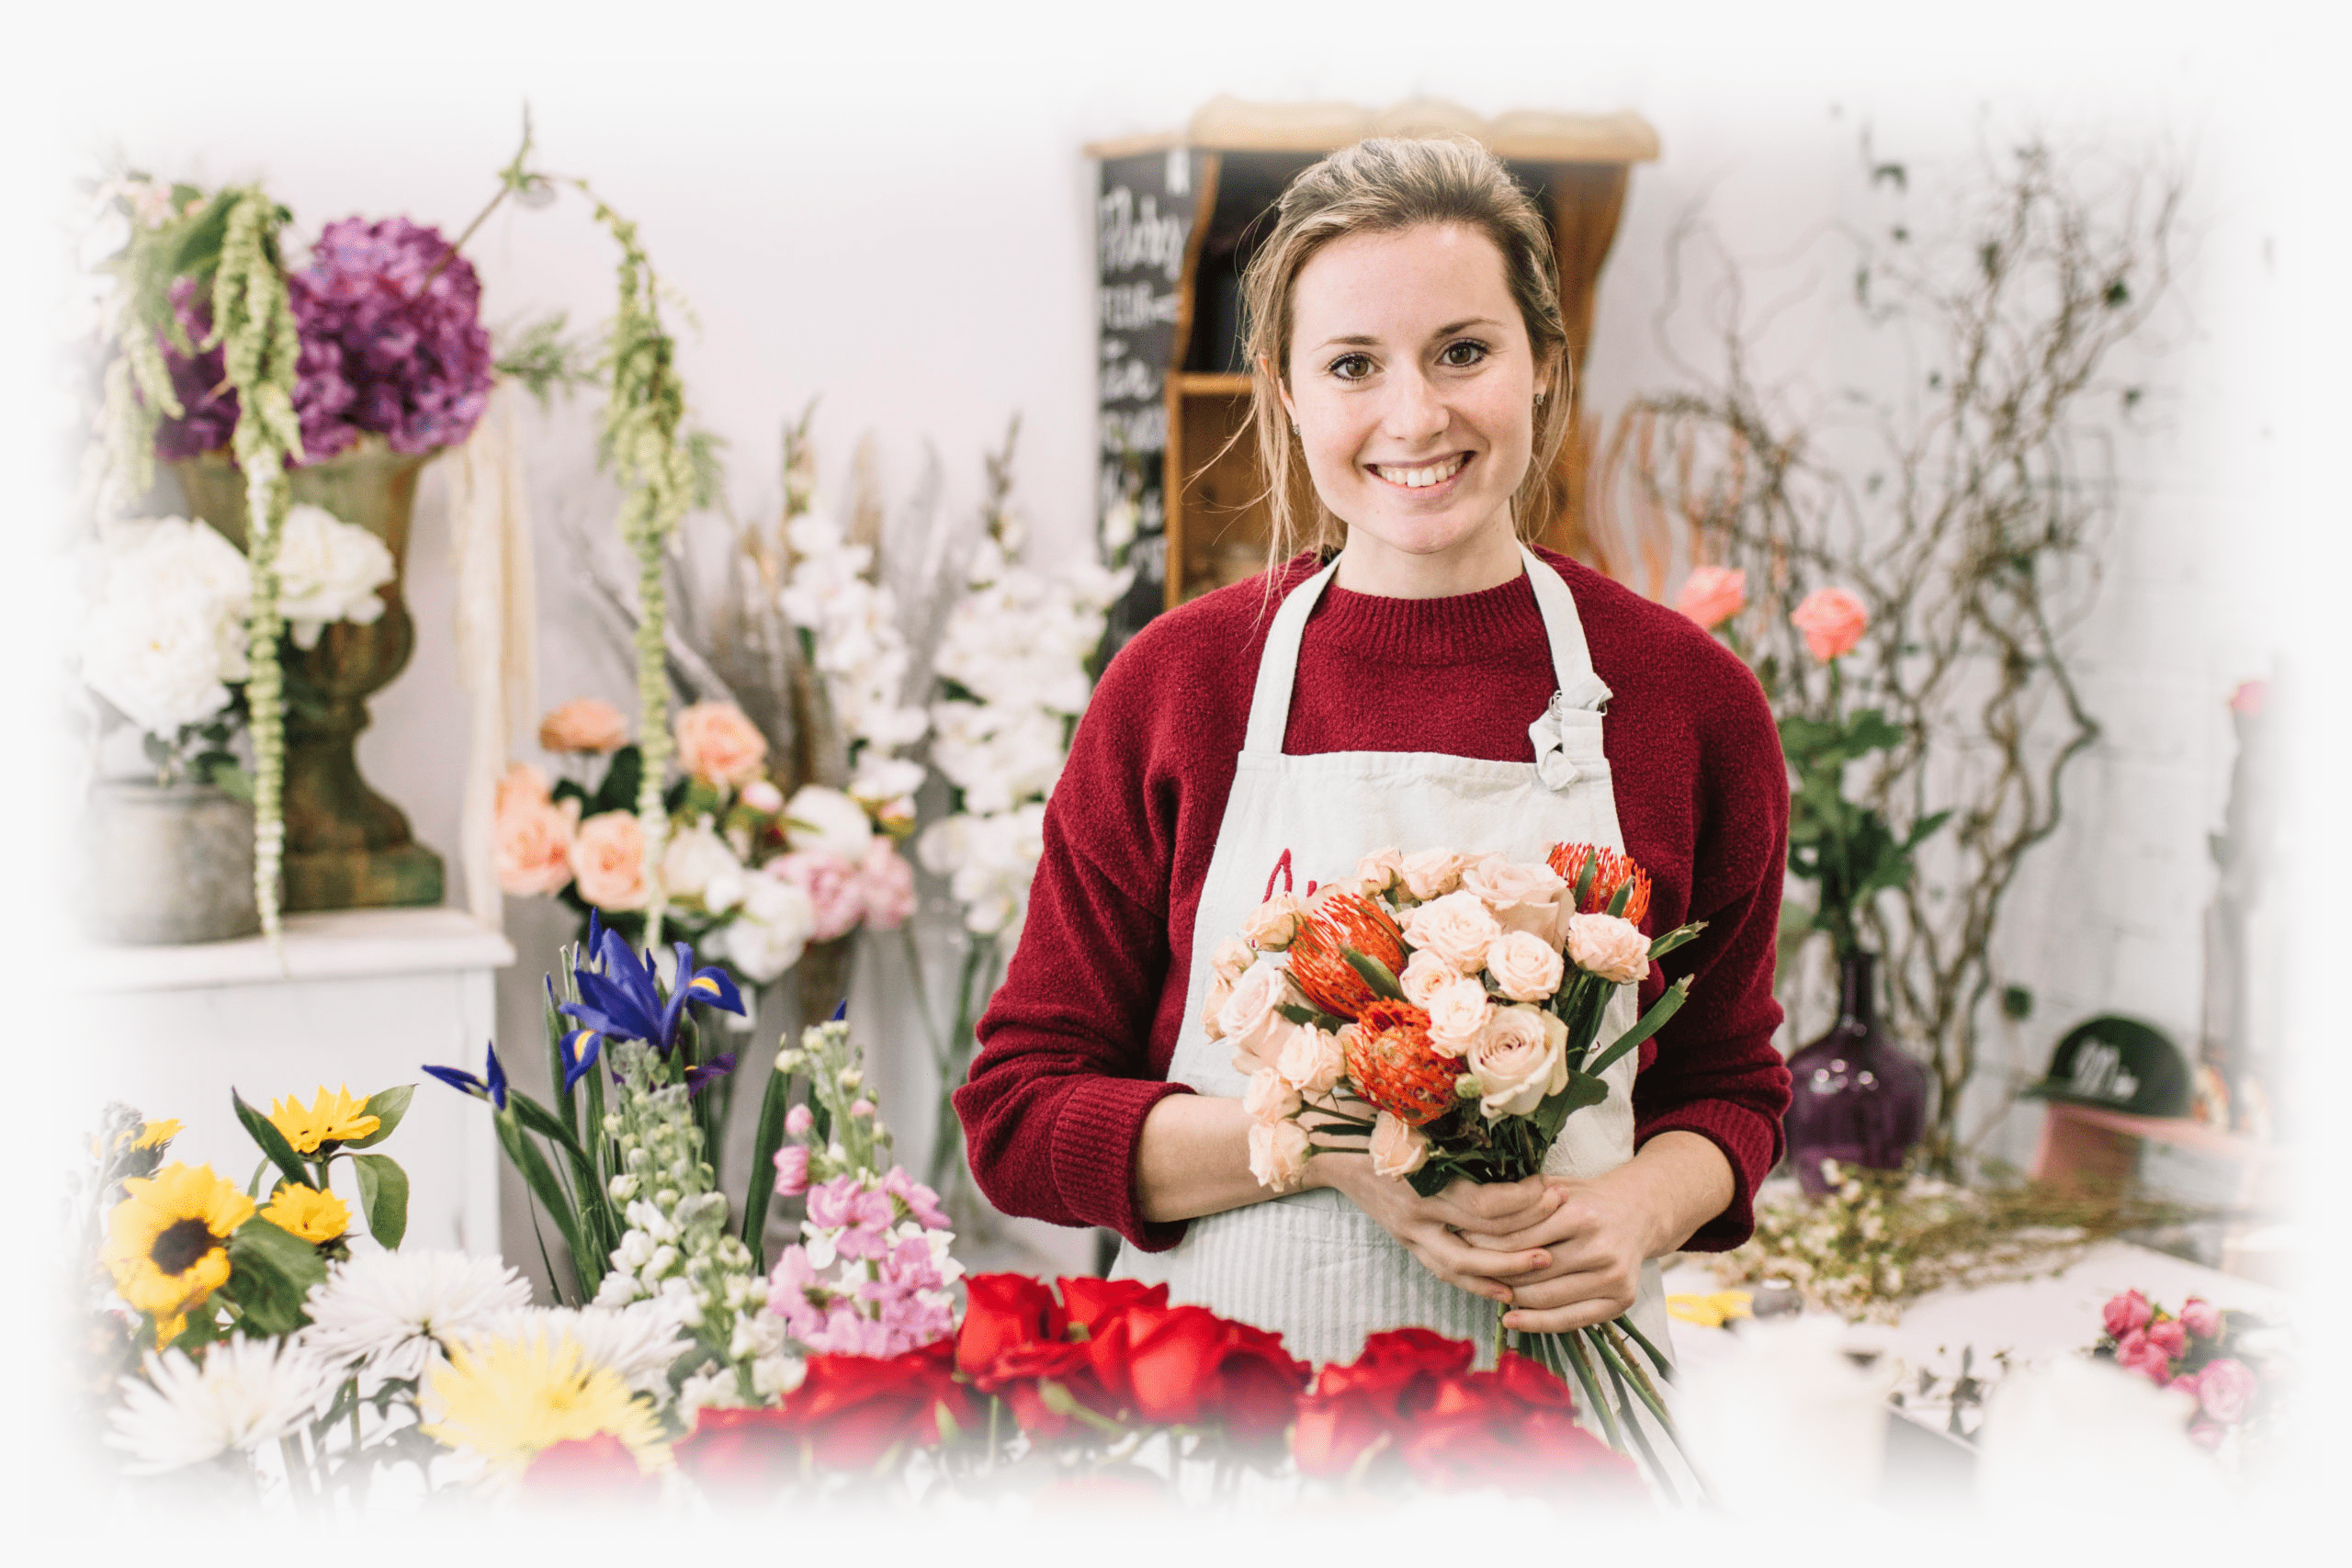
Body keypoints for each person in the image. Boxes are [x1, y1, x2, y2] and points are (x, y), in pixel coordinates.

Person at [956, 135, 1791, 1370]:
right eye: (1354, 364)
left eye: (1464, 351)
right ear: (1288, 393)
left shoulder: (1687, 702)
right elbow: (1020, 1113)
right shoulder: (1180, 687)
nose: (1417, 416)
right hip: (1223, 1423)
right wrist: (1333, 1144)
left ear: (1544, 366)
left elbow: (1729, 1086)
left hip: (1557, 1421)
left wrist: (1640, 1206)